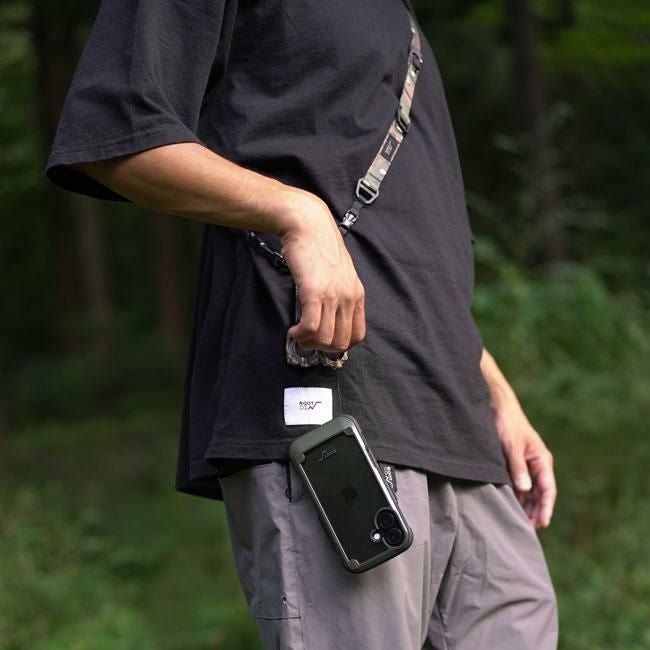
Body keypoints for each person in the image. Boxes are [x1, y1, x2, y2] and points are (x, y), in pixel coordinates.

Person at [46, 0, 558, 648]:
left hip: (459, 424)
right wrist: (296, 214)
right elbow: (114, 134)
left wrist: (494, 389)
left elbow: (404, 238)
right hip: (329, 409)